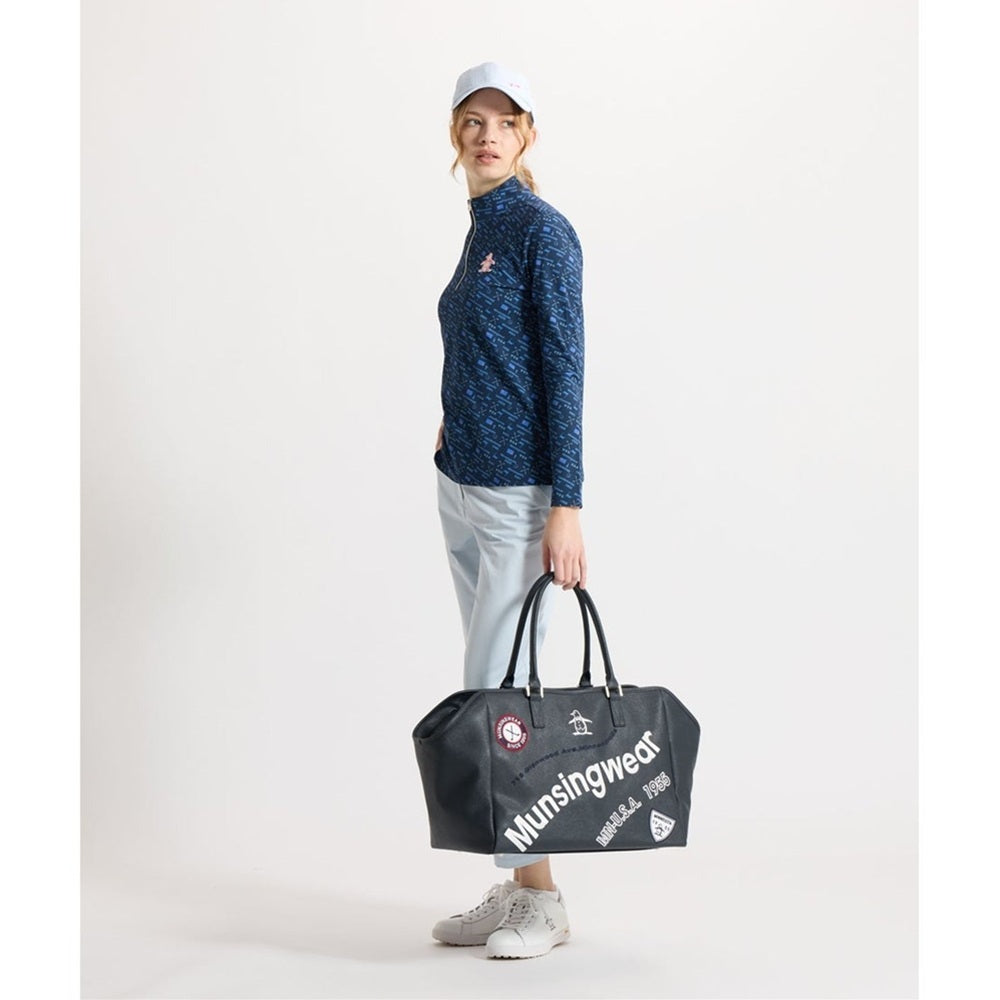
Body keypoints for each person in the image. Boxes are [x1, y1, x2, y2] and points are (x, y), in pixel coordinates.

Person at [430, 61, 587, 960]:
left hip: (518, 498)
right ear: (456, 138)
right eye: (471, 122)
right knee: (490, 690)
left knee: (502, 696)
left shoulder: (540, 230)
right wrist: (452, 421)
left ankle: (545, 901)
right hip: (460, 484)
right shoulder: (480, 227)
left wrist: (568, 504)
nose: (486, 136)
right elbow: (486, 348)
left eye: (503, 121)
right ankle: (518, 885)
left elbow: (565, 369)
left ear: (527, 134)